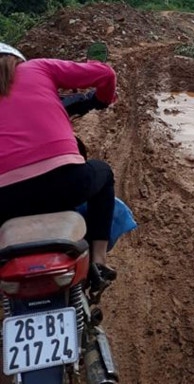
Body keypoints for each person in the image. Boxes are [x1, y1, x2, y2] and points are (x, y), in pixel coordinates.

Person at [0, 42, 118, 285]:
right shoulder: (38, 68)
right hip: (66, 183)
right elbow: (105, 73)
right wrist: (103, 99)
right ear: (17, 60)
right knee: (103, 173)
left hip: (5, 200)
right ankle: (99, 260)